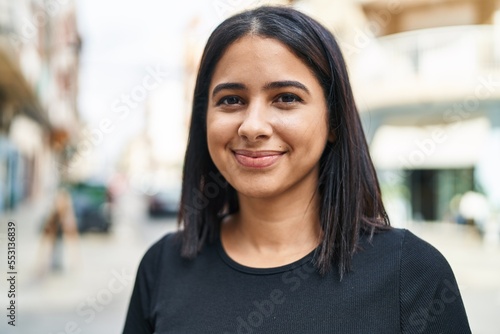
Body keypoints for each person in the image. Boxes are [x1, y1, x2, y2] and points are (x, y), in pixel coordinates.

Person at [123, 6, 471, 333]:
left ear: (333, 120)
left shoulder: (411, 273)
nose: (252, 126)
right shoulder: (162, 267)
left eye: (286, 98)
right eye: (231, 100)